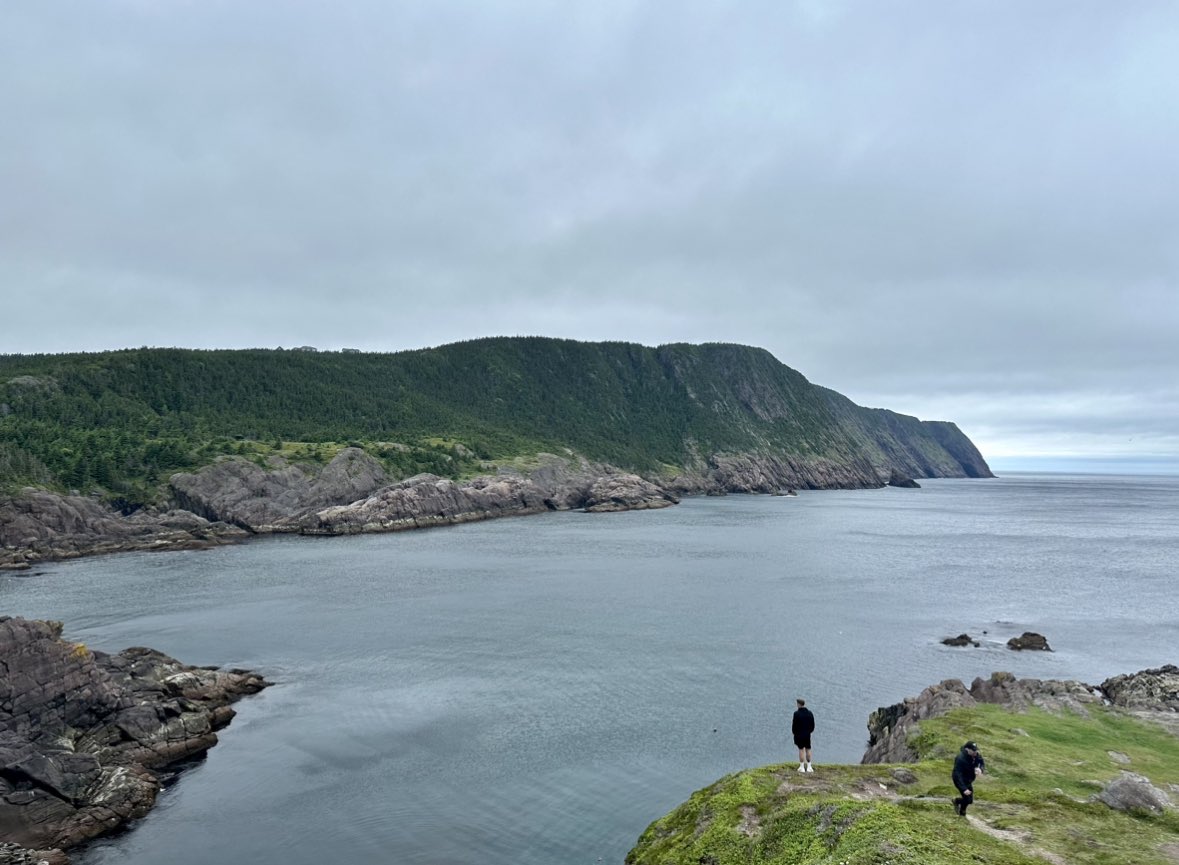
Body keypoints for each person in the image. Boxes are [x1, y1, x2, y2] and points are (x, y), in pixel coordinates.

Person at [951, 741, 985, 816]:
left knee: (969, 800)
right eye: (973, 750)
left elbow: (981, 762)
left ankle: (960, 807)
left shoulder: (976, 755)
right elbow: (957, 774)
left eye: (976, 750)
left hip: (968, 779)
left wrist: (980, 769)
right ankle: (959, 807)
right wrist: (963, 788)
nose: (975, 752)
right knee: (967, 798)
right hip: (960, 780)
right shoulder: (960, 758)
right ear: (967, 749)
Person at [791, 698, 815, 773]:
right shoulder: (810, 713)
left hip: (799, 735)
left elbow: (794, 726)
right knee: (808, 749)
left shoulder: (796, 714)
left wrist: (795, 733)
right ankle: (809, 766)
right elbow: (812, 725)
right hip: (807, 735)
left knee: (801, 750)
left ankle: (801, 767)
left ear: (798, 704)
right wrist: (809, 732)